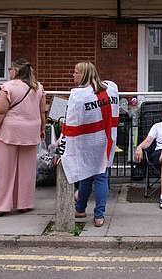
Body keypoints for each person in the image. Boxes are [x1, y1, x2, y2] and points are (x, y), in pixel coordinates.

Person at [0, 59, 46, 217]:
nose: (9, 71)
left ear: (16, 71)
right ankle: (25, 202)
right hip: (31, 130)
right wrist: (42, 129)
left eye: (10, 69)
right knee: (27, 169)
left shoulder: (7, 87)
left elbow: (0, 112)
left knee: (3, 170)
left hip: (10, 131)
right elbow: (42, 112)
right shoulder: (39, 88)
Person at [59, 62, 119, 227]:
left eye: (76, 72)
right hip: (106, 138)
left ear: (84, 75)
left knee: (88, 176)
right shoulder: (111, 88)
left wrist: (63, 139)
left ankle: (84, 210)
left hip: (87, 140)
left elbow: (70, 120)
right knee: (100, 175)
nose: (73, 75)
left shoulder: (78, 95)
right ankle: (96, 215)